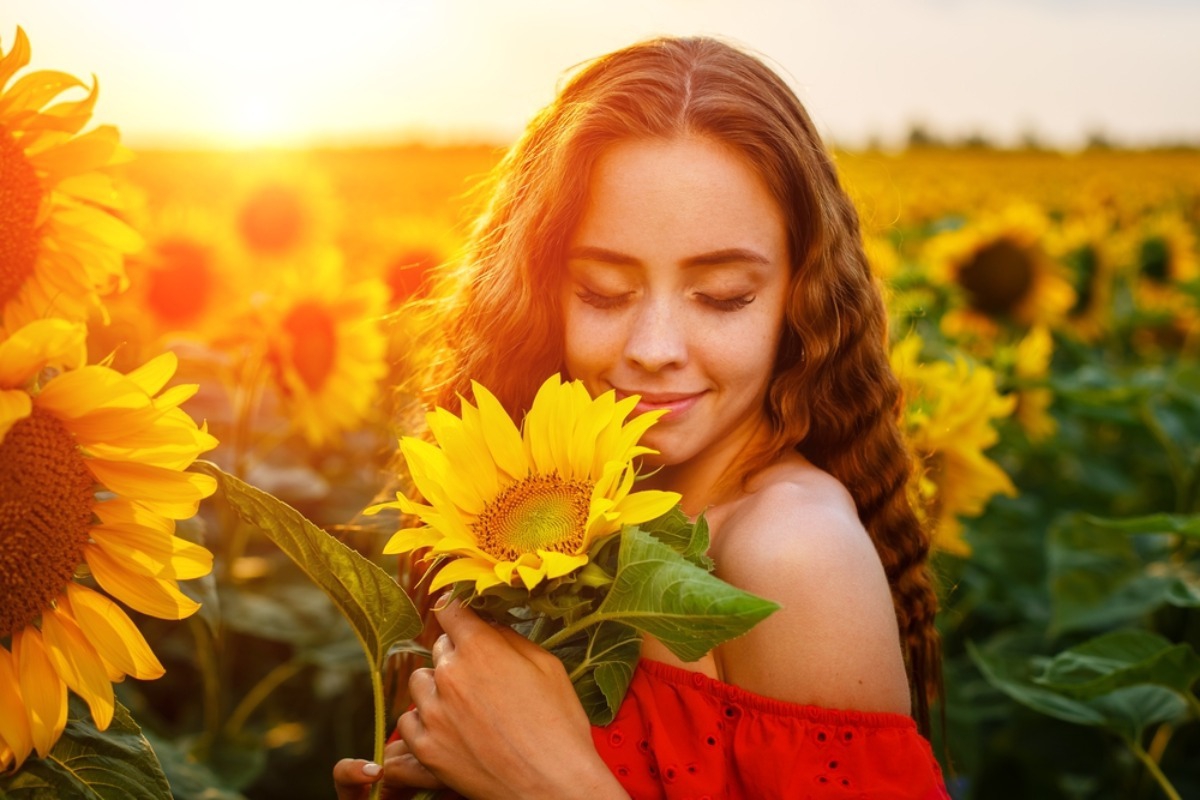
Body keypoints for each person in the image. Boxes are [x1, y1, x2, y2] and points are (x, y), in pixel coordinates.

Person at [334, 35, 948, 799]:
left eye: (723, 295)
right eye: (603, 291)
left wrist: (551, 784)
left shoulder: (794, 554)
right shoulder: (543, 514)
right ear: (540, 290)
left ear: (801, 297)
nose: (655, 349)